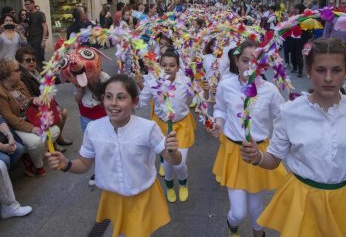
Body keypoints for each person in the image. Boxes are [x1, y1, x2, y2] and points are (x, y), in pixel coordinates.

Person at [240, 37, 346, 236]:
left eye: (337, 70)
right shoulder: (290, 111)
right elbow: (273, 160)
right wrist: (258, 157)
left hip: (340, 200)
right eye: (321, 70)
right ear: (309, 70)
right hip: (301, 197)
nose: (329, 78)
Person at [46, 74, 182, 236]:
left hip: (142, 196)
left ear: (135, 102)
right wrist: (66, 164)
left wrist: (173, 151)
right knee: (117, 230)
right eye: (109, 97)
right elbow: (83, 164)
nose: (114, 103)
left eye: (121, 97)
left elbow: (174, 160)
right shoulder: (93, 129)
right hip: (111, 197)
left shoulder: (148, 128)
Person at [208, 40, 287, 237]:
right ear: (236, 61)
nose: (249, 66)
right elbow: (220, 108)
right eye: (244, 60)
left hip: (258, 154)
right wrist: (218, 123)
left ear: (261, 64)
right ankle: (231, 225)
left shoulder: (269, 89)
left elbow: (284, 116)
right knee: (238, 212)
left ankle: (258, 234)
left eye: (254, 62)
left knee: (256, 209)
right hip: (234, 152)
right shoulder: (226, 85)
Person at [139, 48, 196, 203]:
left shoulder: (185, 82)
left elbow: (198, 97)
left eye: (172, 65)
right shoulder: (152, 83)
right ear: (159, 66)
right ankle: (170, 187)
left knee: (180, 163)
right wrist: (135, 88)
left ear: (178, 67)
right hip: (161, 127)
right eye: (164, 65)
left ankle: (183, 183)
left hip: (181, 127)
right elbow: (140, 103)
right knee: (168, 164)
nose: (168, 68)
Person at [0, 58, 60, 177]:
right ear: (6, 75)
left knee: (54, 131)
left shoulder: (19, 83)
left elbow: (28, 99)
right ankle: (37, 165)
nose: (20, 72)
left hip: (30, 117)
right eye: (16, 70)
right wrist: (32, 128)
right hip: (15, 126)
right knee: (36, 141)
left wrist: (34, 100)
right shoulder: (1, 93)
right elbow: (9, 117)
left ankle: (31, 155)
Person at [15, 47, 72, 146]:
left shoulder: (36, 69)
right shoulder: (22, 76)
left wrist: (67, 77)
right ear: (20, 62)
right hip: (37, 107)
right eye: (28, 60)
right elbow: (30, 97)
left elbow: (50, 78)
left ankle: (58, 138)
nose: (32, 62)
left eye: (33, 59)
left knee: (64, 113)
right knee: (59, 117)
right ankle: (53, 144)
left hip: (48, 102)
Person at [24, 0, 48, 70]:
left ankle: (44, 77)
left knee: (39, 59)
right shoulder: (28, 15)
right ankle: (36, 76)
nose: (26, 6)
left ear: (33, 4)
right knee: (31, 59)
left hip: (38, 41)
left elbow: (45, 27)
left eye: (28, 4)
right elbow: (28, 27)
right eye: (25, 5)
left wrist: (43, 40)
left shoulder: (40, 14)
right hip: (30, 40)